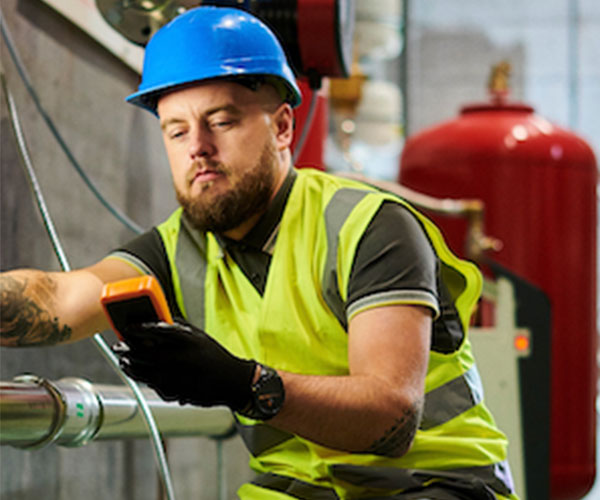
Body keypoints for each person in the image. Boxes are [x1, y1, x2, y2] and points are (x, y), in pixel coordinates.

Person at [0, 6, 518, 500]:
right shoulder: (180, 248)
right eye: (176, 131)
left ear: (283, 127)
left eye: (221, 121)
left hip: (435, 485)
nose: (197, 146)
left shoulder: (368, 227)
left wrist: (243, 384)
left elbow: (391, 420)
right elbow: (59, 299)